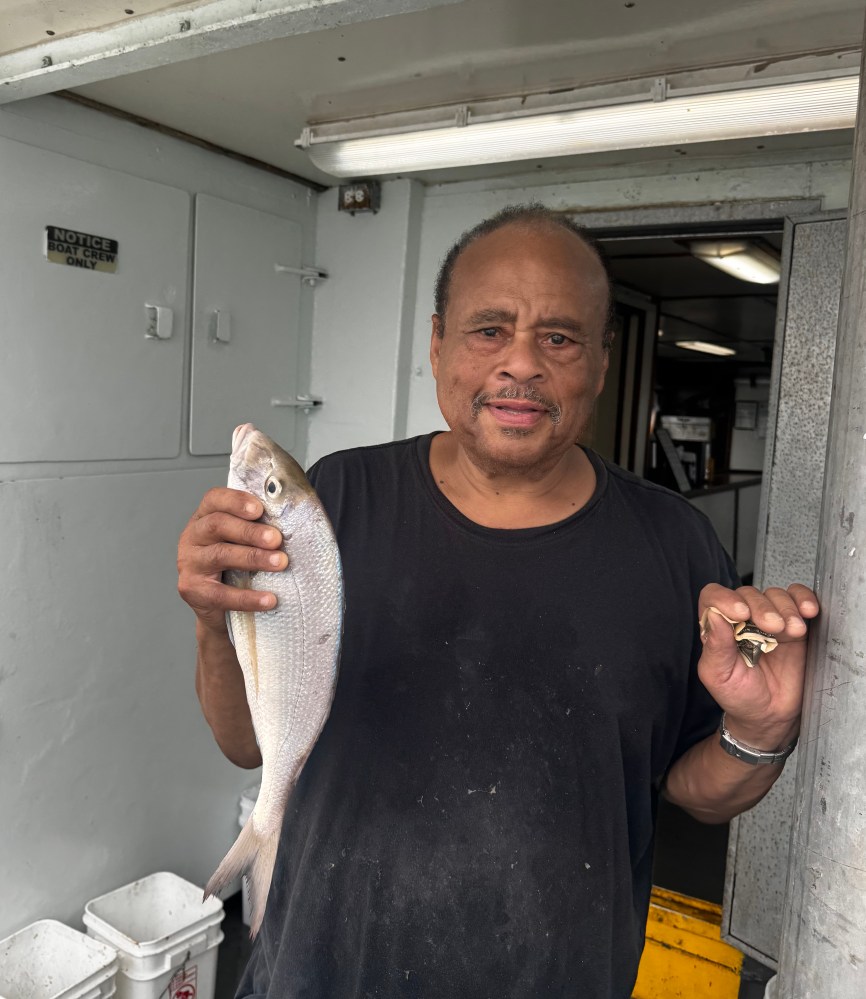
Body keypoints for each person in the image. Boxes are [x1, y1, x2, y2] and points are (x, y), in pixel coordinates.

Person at [177, 204, 818, 998]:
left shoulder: (675, 547)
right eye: (489, 330)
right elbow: (247, 743)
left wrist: (760, 730)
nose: (521, 364)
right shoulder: (333, 503)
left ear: (601, 363)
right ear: (438, 343)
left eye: (559, 337)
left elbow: (691, 787)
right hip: (321, 973)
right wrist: (216, 619)